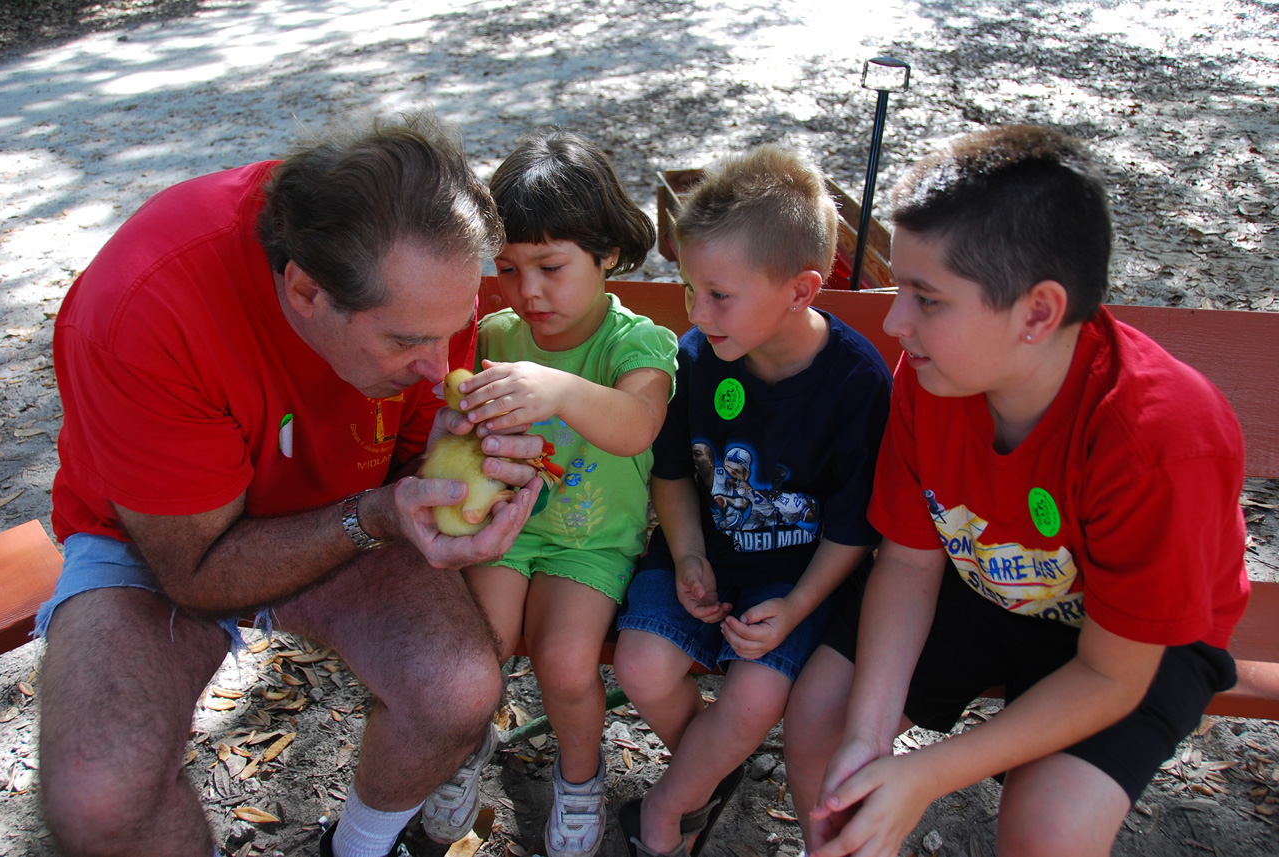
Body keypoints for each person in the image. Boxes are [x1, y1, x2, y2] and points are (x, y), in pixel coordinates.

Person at [36, 111, 546, 857]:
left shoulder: (418, 272)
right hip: (161, 541)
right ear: (304, 291)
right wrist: (375, 515)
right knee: (98, 795)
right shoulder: (148, 305)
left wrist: (443, 477)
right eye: (406, 341)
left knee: (457, 690)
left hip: (346, 502)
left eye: (452, 328)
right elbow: (198, 571)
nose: (442, 367)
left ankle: (357, 849)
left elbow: (407, 466)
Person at [783, 125, 1250, 857]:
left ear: (1037, 312)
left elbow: (1108, 674)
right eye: (899, 288)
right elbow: (908, 563)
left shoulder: (1158, 435)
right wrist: (869, 739)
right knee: (821, 722)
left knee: (1049, 827)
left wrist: (922, 775)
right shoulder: (933, 375)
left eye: (926, 297)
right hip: (986, 582)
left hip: (1132, 637)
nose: (896, 322)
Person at [612, 144, 892, 857]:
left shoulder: (856, 385)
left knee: (755, 696)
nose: (698, 314)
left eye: (719, 295)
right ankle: (707, 775)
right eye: (689, 291)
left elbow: (855, 526)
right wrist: (688, 553)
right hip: (704, 554)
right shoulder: (697, 358)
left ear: (801, 290)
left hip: (797, 577)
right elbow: (671, 472)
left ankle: (669, 808)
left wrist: (798, 607)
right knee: (641, 664)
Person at [416, 129, 678, 857]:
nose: (527, 290)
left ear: (608, 256)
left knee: (566, 662)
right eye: (507, 267)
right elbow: (453, 428)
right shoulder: (496, 334)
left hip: (591, 541)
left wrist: (558, 389)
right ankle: (462, 757)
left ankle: (580, 778)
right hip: (505, 526)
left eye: (551, 266)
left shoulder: (637, 344)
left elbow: (635, 425)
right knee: (482, 649)